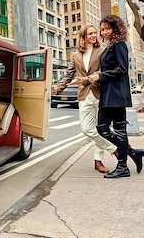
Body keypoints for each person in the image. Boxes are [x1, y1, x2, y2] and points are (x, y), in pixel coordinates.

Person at [52, 24, 117, 173]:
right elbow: (68, 75)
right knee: (87, 129)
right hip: (84, 95)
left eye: (95, 33)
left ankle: (98, 161)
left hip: (100, 94)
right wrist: (57, 89)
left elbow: (103, 71)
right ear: (83, 37)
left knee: (100, 129)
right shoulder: (75, 56)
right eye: (90, 34)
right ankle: (114, 149)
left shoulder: (102, 51)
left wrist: (87, 79)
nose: (95, 35)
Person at [88, 14, 144, 178]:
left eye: (107, 28)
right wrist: (99, 77)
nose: (103, 32)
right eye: (102, 29)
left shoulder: (119, 44)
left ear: (115, 28)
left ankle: (123, 167)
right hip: (107, 95)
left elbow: (122, 69)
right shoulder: (109, 46)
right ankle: (133, 153)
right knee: (101, 129)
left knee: (120, 132)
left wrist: (101, 76)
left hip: (117, 96)